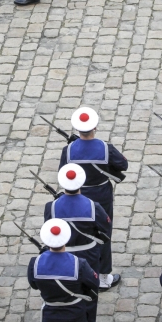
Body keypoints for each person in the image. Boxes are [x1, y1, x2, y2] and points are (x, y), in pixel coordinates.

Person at [58, 107, 128, 291]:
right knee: (103, 233)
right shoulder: (105, 148)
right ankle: (104, 276)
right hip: (101, 194)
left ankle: (78, 271)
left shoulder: (69, 150)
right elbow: (123, 164)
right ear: (95, 126)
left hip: (78, 195)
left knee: (80, 234)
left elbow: (63, 173)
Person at [44, 163, 112, 322]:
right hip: (87, 253)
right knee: (89, 291)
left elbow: (50, 230)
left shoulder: (51, 207)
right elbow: (105, 226)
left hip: (61, 255)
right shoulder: (92, 206)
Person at [28, 219, 102, 322]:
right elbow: (94, 283)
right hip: (74, 313)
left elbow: (34, 285)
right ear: (66, 240)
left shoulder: (34, 263)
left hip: (50, 314)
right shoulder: (79, 264)